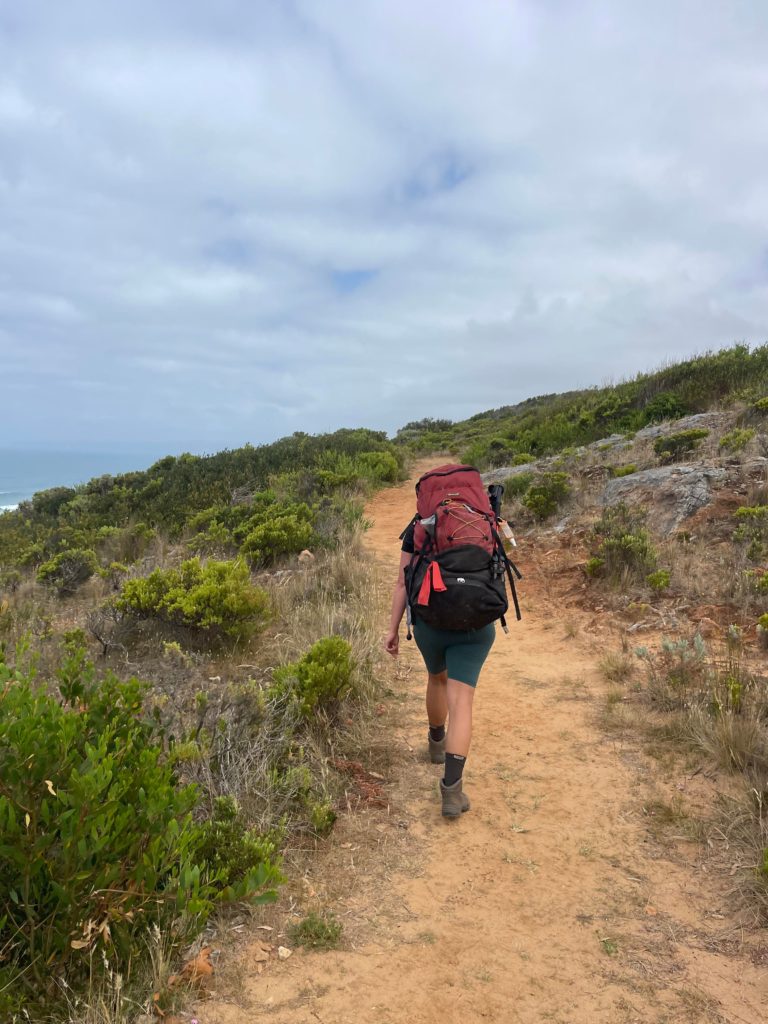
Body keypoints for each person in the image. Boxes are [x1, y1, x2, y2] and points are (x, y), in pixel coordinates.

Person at [384, 518, 496, 819]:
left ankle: (436, 742)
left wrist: (393, 629)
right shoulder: (483, 521)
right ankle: (452, 790)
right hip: (476, 622)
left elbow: (401, 584)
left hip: (429, 622)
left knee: (437, 678)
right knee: (461, 701)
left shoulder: (418, 528)